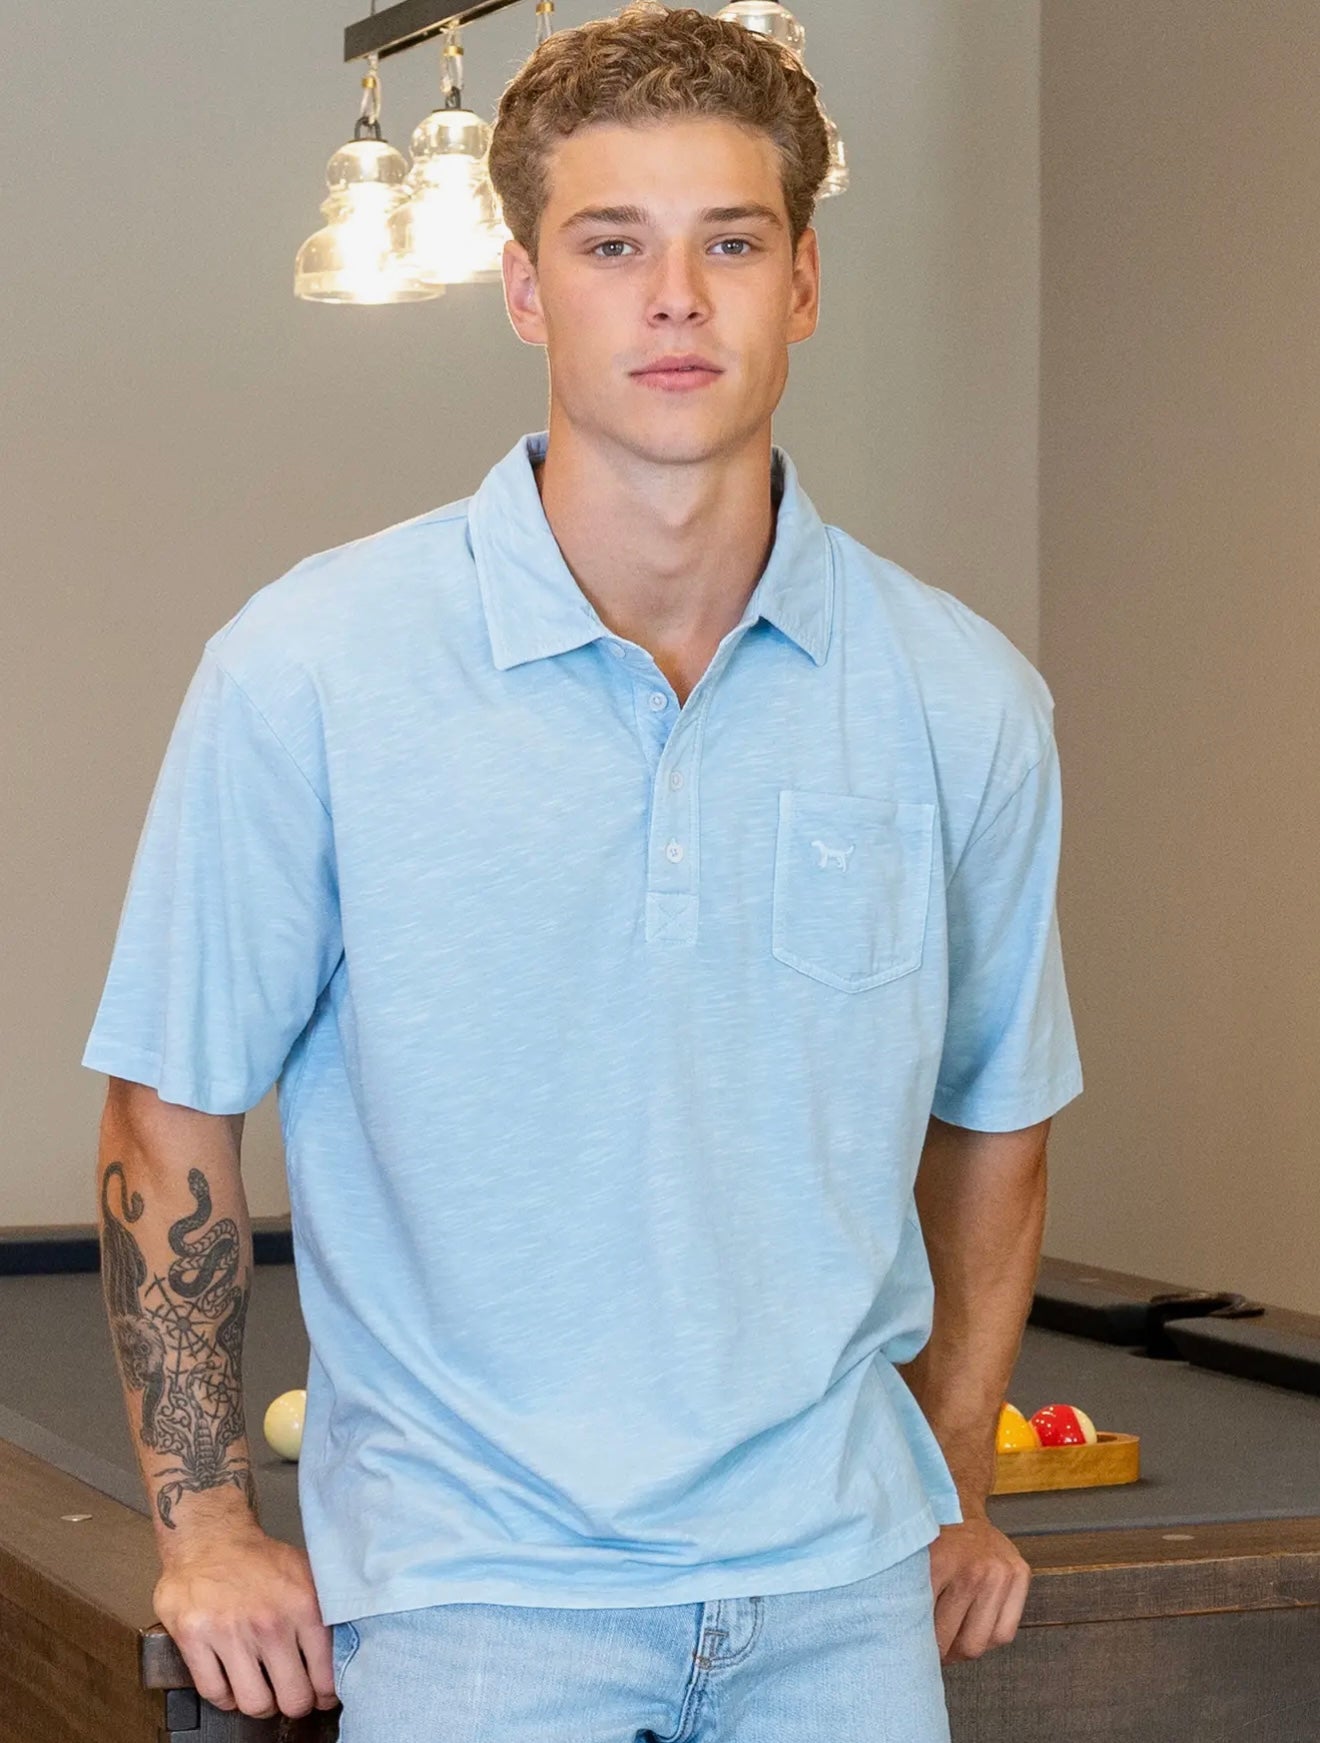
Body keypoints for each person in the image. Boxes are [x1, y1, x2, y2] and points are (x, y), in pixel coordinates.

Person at [81, 2, 1084, 1737]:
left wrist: (957, 1476)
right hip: (477, 1604)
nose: (675, 298)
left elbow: (998, 1118)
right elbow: (166, 1103)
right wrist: (209, 1523)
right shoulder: (309, 668)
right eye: (613, 245)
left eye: (731, 243)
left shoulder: (964, 695)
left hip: (845, 1602)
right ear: (527, 290)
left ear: (805, 282)